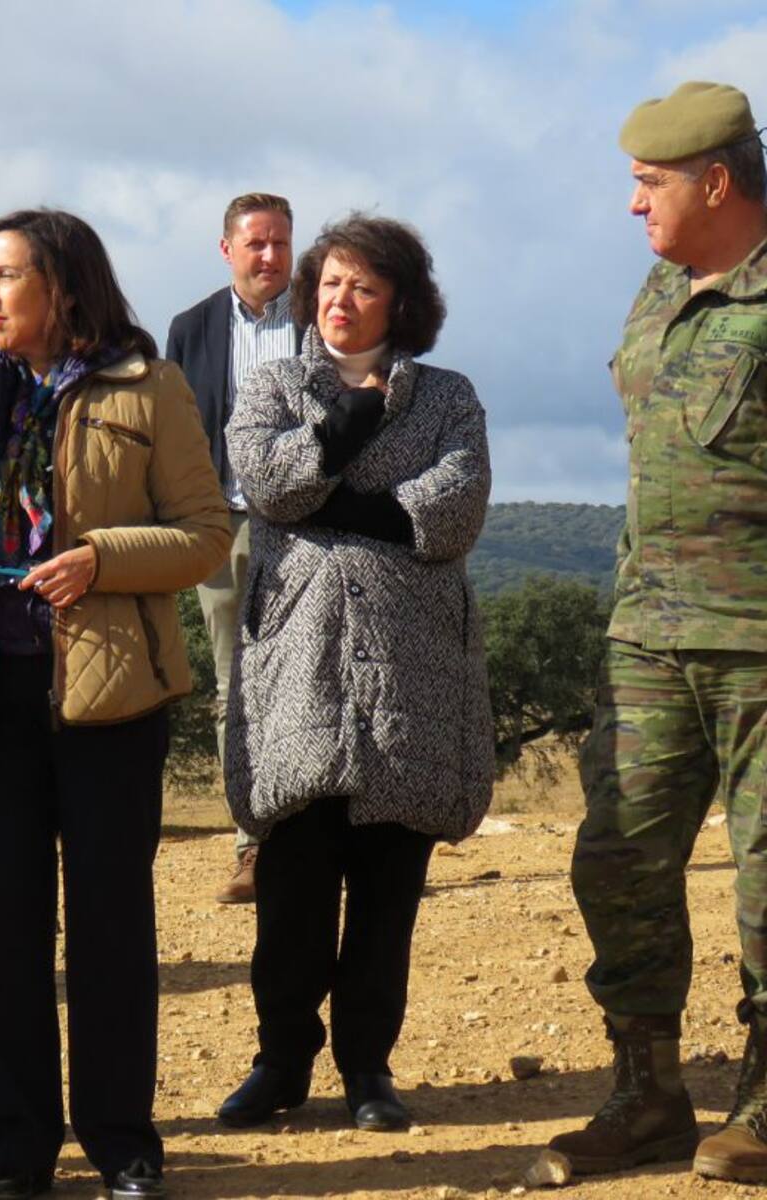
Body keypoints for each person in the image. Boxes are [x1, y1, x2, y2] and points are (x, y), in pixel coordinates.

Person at [0, 209, 230, 1200]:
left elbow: (205, 535)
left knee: (109, 932)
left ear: (65, 285)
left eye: (7, 275)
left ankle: (123, 1145)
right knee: (7, 933)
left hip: (112, 701)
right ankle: (15, 1154)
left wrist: (101, 561)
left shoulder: (151, 386)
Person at [217, 214, 493, 1133]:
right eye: (330, 282)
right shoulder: (271, 384)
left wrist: (332, 487)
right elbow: (266, 486)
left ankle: (369, 1069)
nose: (341, 300)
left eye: (363, 287)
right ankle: (279, 1063)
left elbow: (447, 519)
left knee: (388, 884)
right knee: (293, 879)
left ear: (400, 303)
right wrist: (346, 434)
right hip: (297, 661)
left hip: (411, 670)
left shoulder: (450, 398)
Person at [548, 82, 767, 1184]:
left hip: (763, 644)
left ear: (716, 182)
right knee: (618, 864)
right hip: (651, 637)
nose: (634, 206)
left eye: (650, 183)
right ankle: (648, 1097)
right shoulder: (657, 293)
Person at [165, 193, 300, 904]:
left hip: (310, 525)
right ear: (228, 249)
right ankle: (252, 845)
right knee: (233, 687)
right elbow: (177, 429)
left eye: (281, 242)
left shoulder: (323, 318)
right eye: (257, 244)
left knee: (319, 677)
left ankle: (316, 841)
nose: (271, 256)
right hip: (221, 523)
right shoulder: (191, 328)